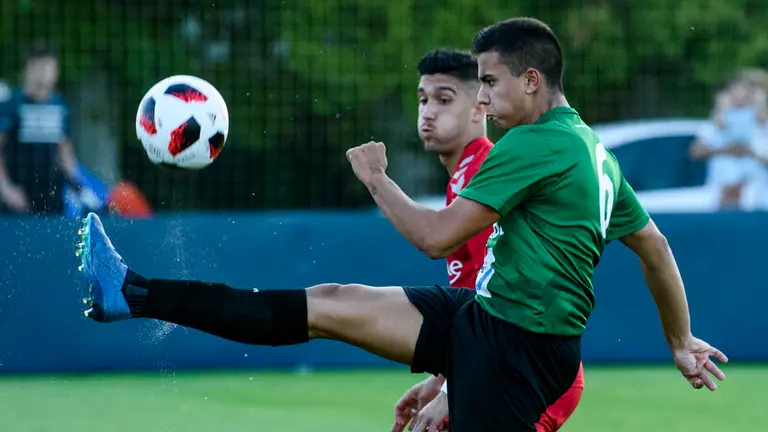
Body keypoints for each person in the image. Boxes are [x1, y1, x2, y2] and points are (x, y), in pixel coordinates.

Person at [77, 18, 727, 432]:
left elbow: (436, 237)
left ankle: (133, 293)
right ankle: (132, 292)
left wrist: (376, 178)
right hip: (485, 320)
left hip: (520, 352)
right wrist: (680, 340)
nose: (483, 98)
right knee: (328, 303)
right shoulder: (592, 150)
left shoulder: (532, 146)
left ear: (532, 81)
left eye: (488, 84)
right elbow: (654, 246)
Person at [392, 48, 583, 432]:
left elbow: (499, 295)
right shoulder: (464, 177)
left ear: (479, 108)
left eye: (444, 100)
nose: (428, 112)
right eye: (423, 100)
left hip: (526, 368)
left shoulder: (483, 171)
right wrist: (443, 378)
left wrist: (452, 391)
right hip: (509, 362)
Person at [0, 42, 99, 214]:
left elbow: (65, 153)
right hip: (16, 201)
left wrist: (80, 187)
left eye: (48, 69)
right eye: (38, 68)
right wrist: (6, 189)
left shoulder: (61, 106)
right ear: (27, 69)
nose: (43, 75)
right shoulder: (11, 105)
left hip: (52, 202)